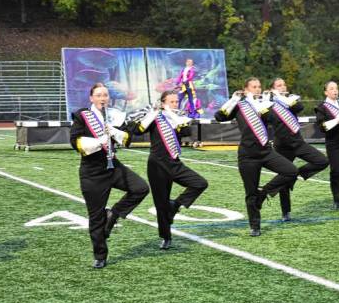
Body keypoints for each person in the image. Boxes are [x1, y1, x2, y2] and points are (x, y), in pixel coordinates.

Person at [70, 83, 150, 269]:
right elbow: (75, 142)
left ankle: (113, 215)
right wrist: (100, 140)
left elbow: (127, 139)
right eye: (98, 95)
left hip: (113, 167)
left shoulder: (114, 115)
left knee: (140, 188)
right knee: (96, 217)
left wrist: (113, 131)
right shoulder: (82, 116)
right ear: (91, 98)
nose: (102, 99)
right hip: (92, 173)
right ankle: (100, 255)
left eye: (105, 95)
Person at [215, 77, 298, 236]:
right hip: (247, 155)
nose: (258, 89)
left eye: (259, 86)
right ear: (245, 90)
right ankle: (255, 226)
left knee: (291, 171)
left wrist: (270, 102)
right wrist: (233, 99)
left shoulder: (263, 104)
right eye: (254, 87)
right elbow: (219, 117)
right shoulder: (239, 106)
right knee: (250, 192)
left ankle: (264, 193)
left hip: (266, 152)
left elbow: (274, 120)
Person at [132, 90, 208, 249]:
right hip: (157, 165)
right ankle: (166, 237)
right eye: (171, 102)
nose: (174, 104)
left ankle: (175, 206)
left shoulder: (178, 118)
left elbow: (187, 133)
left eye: (176, 102)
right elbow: (138, 131)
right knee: (160, 203)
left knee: (200, 183)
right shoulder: (155, 117)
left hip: (174, 163)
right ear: (163, 102)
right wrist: (153, 113)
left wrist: (177, 120)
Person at [268, 78, 327, 221]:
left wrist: (282, 97)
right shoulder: (268, 104)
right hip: (282, 146)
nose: (283, 87)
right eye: (279, 85)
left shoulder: (291, 99)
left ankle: (296, 175)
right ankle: (286, 212)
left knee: (322, 161)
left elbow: (299, 108)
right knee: (284, 180)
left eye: (284, 84)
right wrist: (273, 98)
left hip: (298, 142)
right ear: (272, 89)